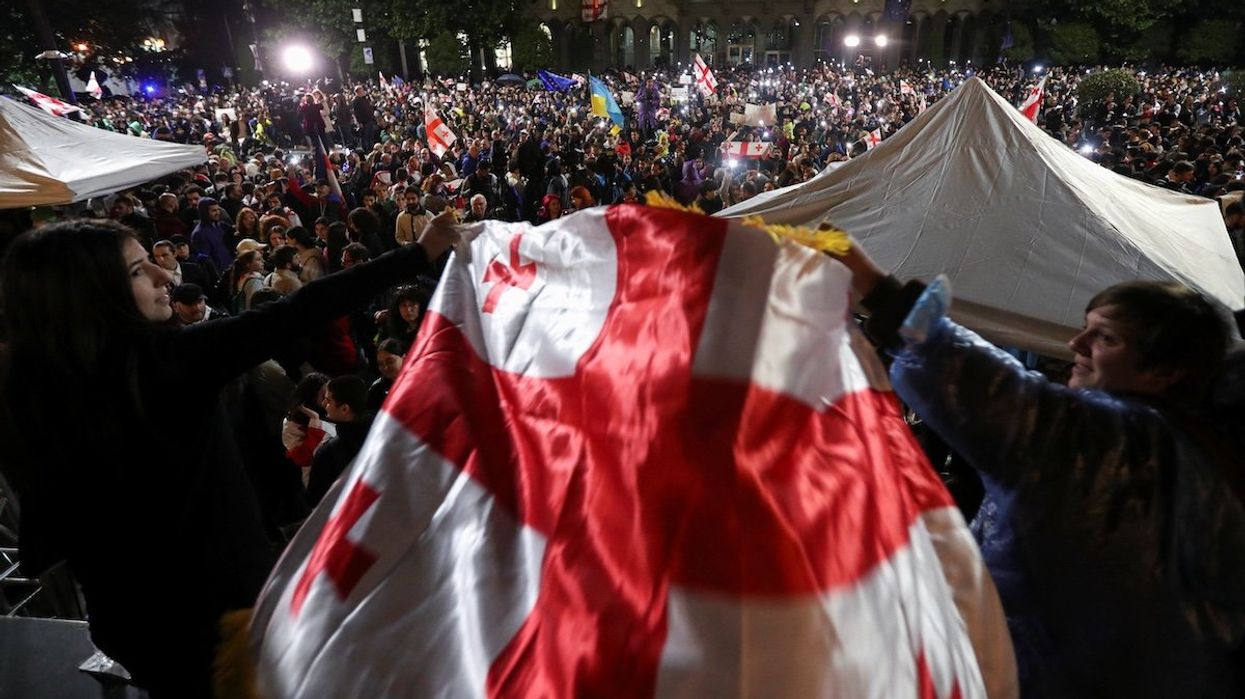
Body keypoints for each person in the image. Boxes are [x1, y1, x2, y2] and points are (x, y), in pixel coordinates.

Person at [0, 213, 457, 697]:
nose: (165, 277)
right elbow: (298, 310)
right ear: (89, 296)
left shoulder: (27, 396)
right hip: (226, 625)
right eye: (138, 271)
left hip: (132, 630)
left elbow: (42, 544)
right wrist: (416, 254)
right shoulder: (170, 364)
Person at [837, 240, 1245, 698]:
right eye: (1085, 329)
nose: (1077, 344)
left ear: (1166, 371)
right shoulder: (1199, 450)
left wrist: (874, 285)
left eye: (1105, 337)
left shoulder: (1120, 442)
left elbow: (998, 394)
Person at [305, 375, 372, 507]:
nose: (323, 404)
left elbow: (316, 501)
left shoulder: (328, 454)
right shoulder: (385, 429)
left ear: (344, 409)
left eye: (328, 400)